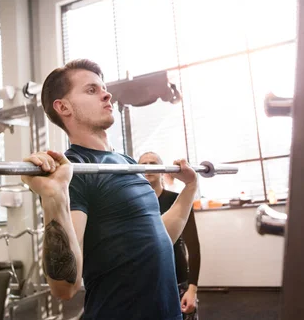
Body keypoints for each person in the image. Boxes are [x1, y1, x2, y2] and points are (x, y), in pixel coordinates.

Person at [20, 59, 199, 320]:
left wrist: (191, 187)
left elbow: (159, 237)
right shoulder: (75, 171)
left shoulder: (126, 163)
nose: (107, 94)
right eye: (91, 90)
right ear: (63, 107)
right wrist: (54, 196)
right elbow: (64, 288)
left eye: (103, 87)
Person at [139, 152, 201, 320]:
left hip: (178, 279)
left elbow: (193, 246)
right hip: (146, 283)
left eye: (153, 163)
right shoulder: (134, 206)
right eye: (144, 163)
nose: (148, 167)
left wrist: (192, 289)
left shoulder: (178, 199)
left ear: (162, 170)